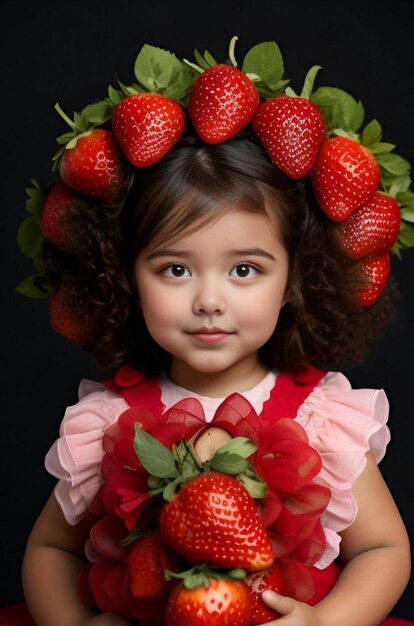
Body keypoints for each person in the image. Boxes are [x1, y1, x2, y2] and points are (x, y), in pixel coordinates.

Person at [12, 39, 414, 626]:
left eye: (244, 270)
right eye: (175, 269)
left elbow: (384, 549)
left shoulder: (321, 417)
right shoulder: (105, 421)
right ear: (124, 276)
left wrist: (326, 623)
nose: (207, 300)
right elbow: (50, 550)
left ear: (295, 278)